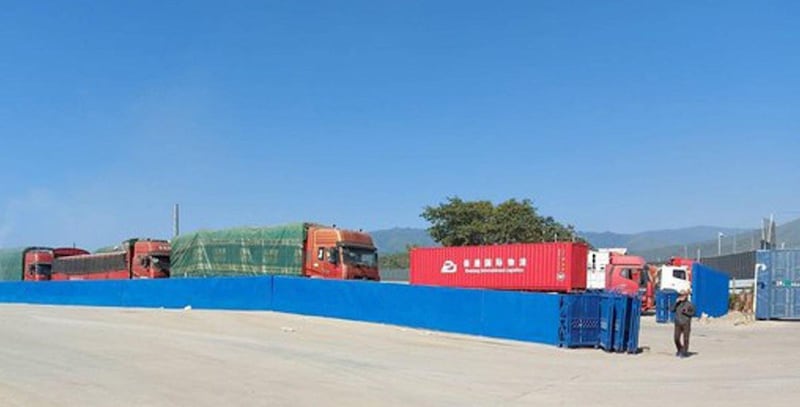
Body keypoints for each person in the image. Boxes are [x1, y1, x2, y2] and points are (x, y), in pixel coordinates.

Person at [670, 289, 696, 358]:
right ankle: (680, 349)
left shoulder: (689, 304)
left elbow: (693, 313)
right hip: (678, 322)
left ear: (686, 296)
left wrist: (686, 312)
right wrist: (676, 302)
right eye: (680, 295)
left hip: (686, 323)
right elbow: (671, 309)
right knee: (676, 338)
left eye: (682, 295)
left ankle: (684, 352)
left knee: (686, 339)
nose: (681, 296)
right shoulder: (677, 303)